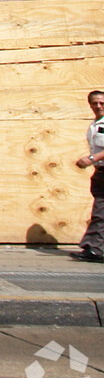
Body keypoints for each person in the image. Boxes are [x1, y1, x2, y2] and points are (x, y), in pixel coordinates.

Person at [74, 90, 104, 262]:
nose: (98, 106)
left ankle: (95, 249)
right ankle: (93, 247)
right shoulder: (94, 125)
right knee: (99, 211)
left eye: (102, 103)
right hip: (100, 173)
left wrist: (92, 159)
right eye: (95, 103)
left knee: (101, 212)